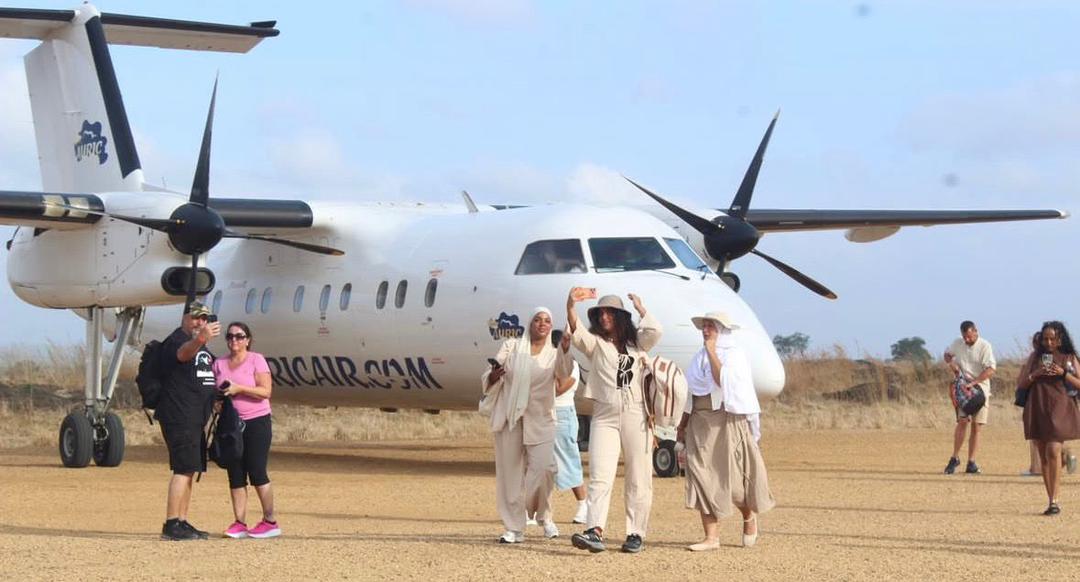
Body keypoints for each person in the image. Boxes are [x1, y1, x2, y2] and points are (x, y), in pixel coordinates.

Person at [563, 290, 661, 554]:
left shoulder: (637, 343)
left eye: (610, 312)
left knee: (639, 475)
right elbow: (576, 328)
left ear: (620, 316)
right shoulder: (596, 344)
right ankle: (594, 531)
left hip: (636, 414)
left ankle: (635, 533)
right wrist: (570, 304)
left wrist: (641, 307)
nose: (604, 317)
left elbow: (655, 331)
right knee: (600, 474)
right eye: (601, 313)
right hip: (604, 415)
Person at [679, 312, 774, 551]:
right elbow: (691, 394)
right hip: (700, 421)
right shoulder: (698, 358)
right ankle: (711, 537)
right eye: (704, 326)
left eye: (711, 326)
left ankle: (748, 515)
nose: (705, 330)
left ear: (722, 330)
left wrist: (712, 350)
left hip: (726, 419)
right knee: (701, 477)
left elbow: (723, 381)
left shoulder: (734, 355)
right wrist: (681, 426)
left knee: (730, 480)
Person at [482, 307, 570, 543]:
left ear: (551, 327)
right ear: (530, 324)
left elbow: (565, 373)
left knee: (545, 469)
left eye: (547, 321)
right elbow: (490, 374)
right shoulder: (512, 347)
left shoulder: (554, 354)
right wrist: (494, 375)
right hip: (510, 417)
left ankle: (544, 516)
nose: (542, 324)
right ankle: (514, 527)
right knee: (509, 476)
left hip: (541, 419)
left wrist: (566, 349)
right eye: (537, 320)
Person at [155, 301, 220, 541]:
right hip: (180, 416)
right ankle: (171, 523)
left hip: (195, 417)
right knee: (182, 469)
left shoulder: (200, 346)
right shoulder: (177, 340)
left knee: (191, 468)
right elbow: (182, 354)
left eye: (204, 319)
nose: (199, 322)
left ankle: (182, 521)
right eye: (195, 317)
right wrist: (201, 338)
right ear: (184, 317)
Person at [212, 322, 279, 539]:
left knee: (257, 470)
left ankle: (270, 521)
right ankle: (239, 522)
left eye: (239, 336)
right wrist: (217, 403)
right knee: (235, 473)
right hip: (231, 424)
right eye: (230, 336)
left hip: (257, 421)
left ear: (247, 340)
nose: (234, 340)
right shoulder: (219, 363)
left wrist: (239, 388)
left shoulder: (256, 360)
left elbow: (265, 391)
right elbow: (215, 393)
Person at [1017, 321, 1080, 515]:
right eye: (1045, 339)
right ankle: (1051, 499)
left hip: (1060, 406)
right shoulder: (1034, 357)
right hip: (1038, 405)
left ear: (1060, 339)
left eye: (1053, 339)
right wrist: (1035, 374)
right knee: (1044, 454)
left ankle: (1055, 499)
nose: (1049, 342)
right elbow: (1022, 384)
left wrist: (1064, 373)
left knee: (1053, 450)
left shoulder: (1069, 357)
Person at [942, 320, 996, 475]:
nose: (966, 339)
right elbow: (947, 354)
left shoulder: (985, 346)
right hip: (963, 390)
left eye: (969, 336)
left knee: (976, 426)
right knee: (962, 421)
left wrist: (974, 382)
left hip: (981, 391)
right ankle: (955, 457)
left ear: (976, 331)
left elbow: (991, 369)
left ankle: (971, 462)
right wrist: (952, 365)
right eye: (964, 336)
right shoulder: (957, 343)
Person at [550, 329, 588, 525]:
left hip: (563, 415)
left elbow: (558, 389)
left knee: (568, 461)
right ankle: (536, 509)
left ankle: (584, 505)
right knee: (538, 464)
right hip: (545, 415)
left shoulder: (571, 365)